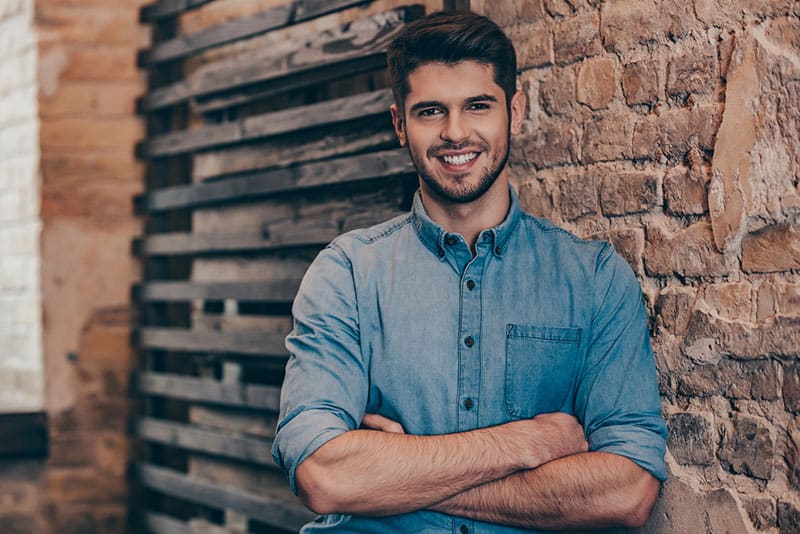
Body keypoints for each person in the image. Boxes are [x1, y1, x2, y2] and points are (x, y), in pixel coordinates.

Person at [272, 10, 667, 532]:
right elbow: (322, 475)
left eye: (477, 106)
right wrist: (528, 443)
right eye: (430, 111)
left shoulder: (593, 279)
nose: (455, 133)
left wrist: (400, 475)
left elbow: (628, 489)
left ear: (515, 111)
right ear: (399, 124)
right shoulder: (346, 274)